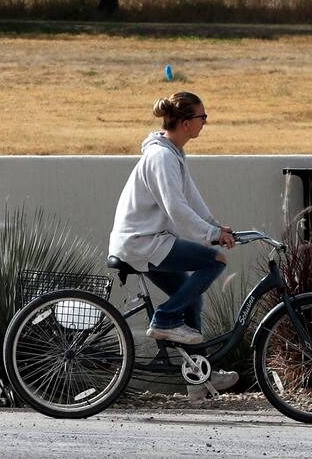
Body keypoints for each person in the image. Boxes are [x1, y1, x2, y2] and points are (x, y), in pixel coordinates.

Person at [108, 90, 239, 399]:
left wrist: (216, 226)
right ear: (184, 122)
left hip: (149, 240)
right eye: (201, 117)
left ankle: (198, 379)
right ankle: (165, 319)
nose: (205, 123)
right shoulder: (162, 156)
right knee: (214, 261)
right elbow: (176, 209)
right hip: (143, 242)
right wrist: (211, 236)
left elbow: (192, 200)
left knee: (192, 299)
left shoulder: (173, 153)